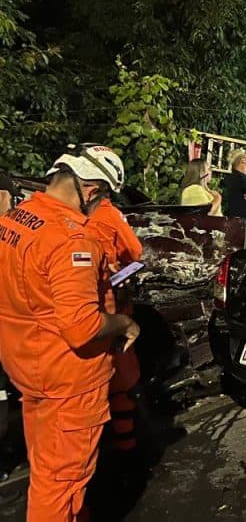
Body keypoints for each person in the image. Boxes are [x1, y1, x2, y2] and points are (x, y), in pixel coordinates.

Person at [0, 145, 140, 521]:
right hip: (68, 379)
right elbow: (82, 328)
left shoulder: (16, 219)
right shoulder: (71, 240)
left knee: (48, 469)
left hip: (28, 368)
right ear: (92, 191)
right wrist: (125, 323)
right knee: (61, 482)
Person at [81, 146, 146, 464]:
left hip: (91, 310)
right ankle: (124, 451)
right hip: (106, 310)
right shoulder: (108, 215)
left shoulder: (73, 215)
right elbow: (135, 254)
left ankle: (119, 447)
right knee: (120, 381)